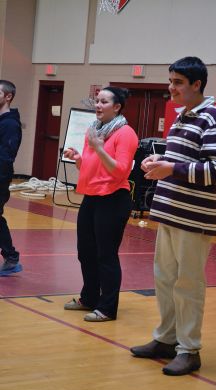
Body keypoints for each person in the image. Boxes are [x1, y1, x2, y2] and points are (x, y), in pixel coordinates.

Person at [130, 57, 216, 375]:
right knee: (165, 279)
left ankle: (189, 350)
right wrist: (162, 159)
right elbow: (184, 160)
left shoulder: (213, 116)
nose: (170, 88)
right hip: (170, 212)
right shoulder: (182, 116)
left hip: (194, 217)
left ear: (197, 84)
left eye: (177, 82)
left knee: (188, 284)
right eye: (170, 81)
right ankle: (166, 338)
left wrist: (171, 168)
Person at [64, 86, 138, 322]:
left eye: (104, 102)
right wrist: (79, 159)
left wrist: (98, 148)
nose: (98, 105)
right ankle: (89, 298)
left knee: (106, 255)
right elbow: (90, 166)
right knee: (85, 252)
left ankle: (107, 308)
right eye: (97, 101)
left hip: (113, 199)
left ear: (116, 107)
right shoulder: (94, 130)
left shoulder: (125, 134)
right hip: (91, 198)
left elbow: (120, 171)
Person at [0, 80, 23, 277]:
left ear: (8, 97)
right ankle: (11, 256)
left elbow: (6, 156)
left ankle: (11, 257)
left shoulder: (9, 124)